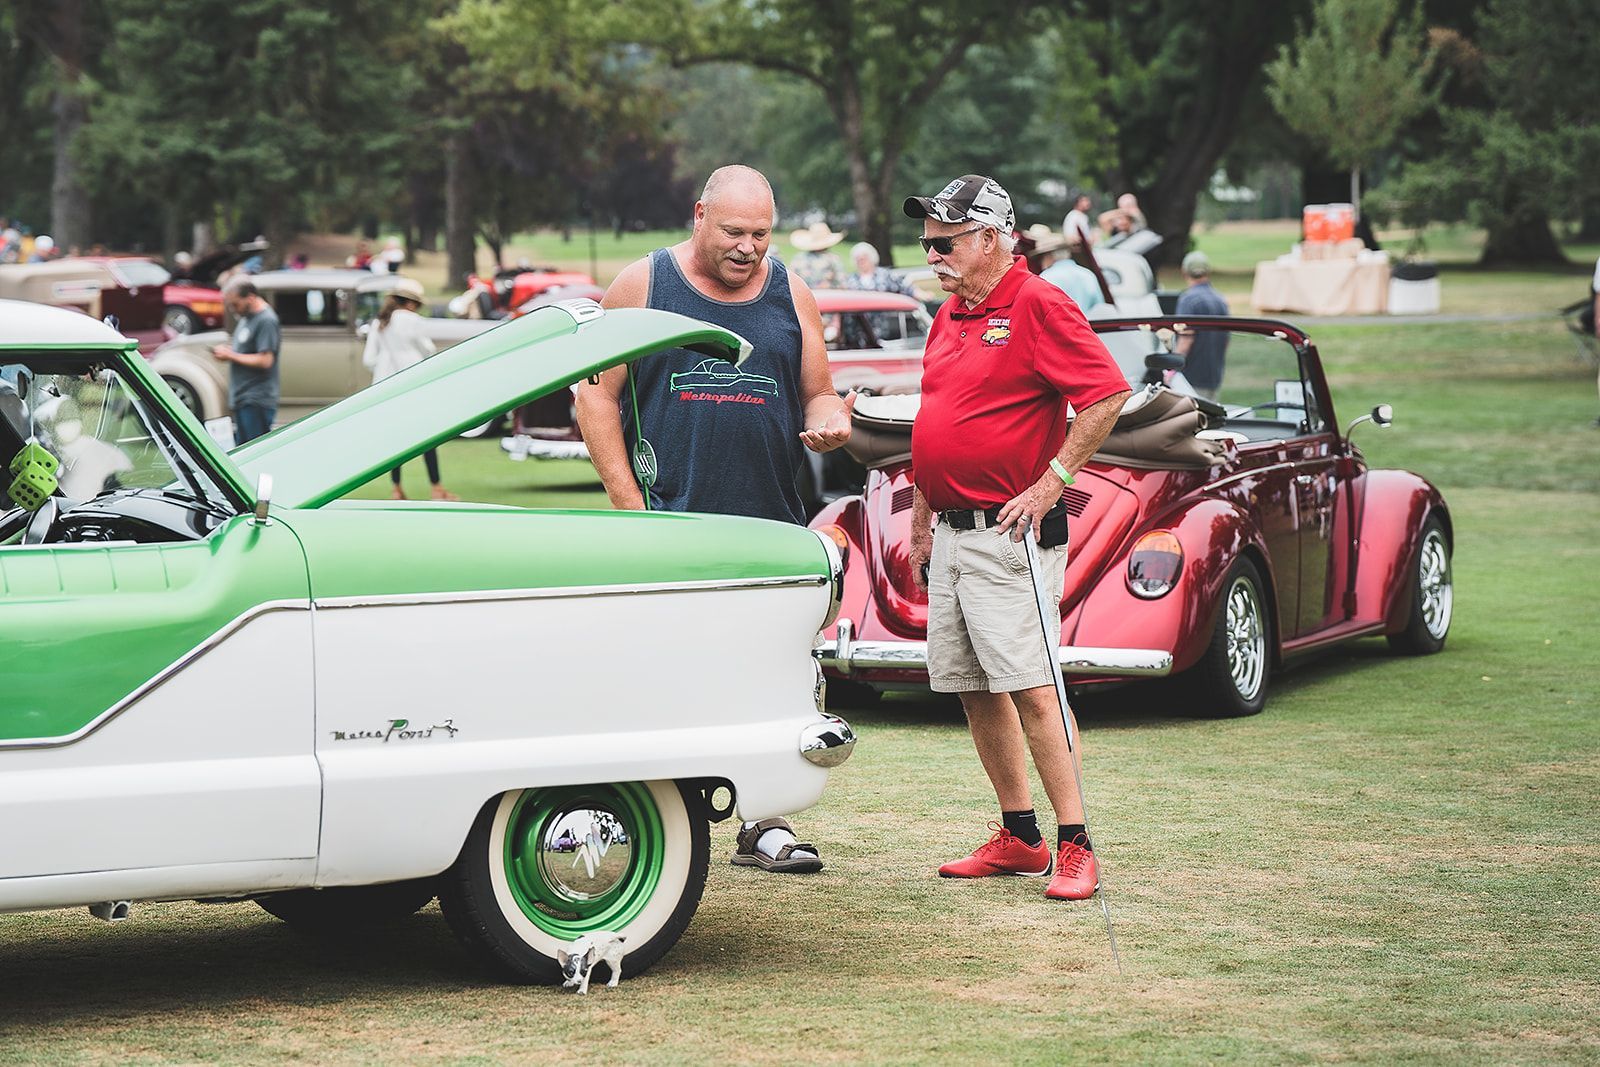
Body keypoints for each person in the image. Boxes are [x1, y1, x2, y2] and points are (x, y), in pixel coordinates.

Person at [575, 164, 854, 874]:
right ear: (700, 215)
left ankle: (765, 824)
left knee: (769, 676)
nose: (748, 247)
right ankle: (637, 819)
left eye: (761, 233)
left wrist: (829, 423)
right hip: (667, 523)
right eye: (734, 231)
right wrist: (627, 505)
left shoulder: (792, 291)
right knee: (655, 674)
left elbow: (819, 394)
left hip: (768, 524)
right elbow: (594, 395)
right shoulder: (644, 286)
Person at [903, 173, 1131, 901]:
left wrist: (1050, 482)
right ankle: (1021, 835)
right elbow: (934, 422)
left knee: (1034, 686)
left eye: (946, 242)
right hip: (952, 532)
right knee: (974, 688)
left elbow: (1107, 395)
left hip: (1012, 533)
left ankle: (1076, 843)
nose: (933, 254)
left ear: (992, 239)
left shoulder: (1037, 302)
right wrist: (920, 517)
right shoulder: (950, 317)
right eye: (929, 242)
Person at [363, 278, 458, 500]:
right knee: (427, 437)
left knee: (396, 439)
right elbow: (428, 349)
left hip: (386, 386)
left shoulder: (380, 322)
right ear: (412, 303)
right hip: (413, 384)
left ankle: (396, 488)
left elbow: (368, 359)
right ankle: (436, 487)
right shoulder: (413, 321)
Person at [211, 279, 281, 445]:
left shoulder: (266, 321)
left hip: (256, 398)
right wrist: (228, 350)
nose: (233, 309)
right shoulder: (246, 317)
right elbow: (245, 348)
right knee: (242, 451)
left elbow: (266, 360)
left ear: (250, 297)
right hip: (242, 396)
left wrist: (231, 355)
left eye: (235, 304)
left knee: (254, 450)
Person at [1173, 251, 1229, 401]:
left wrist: (1171, 369)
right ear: (1208, 272)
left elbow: (1186, 339)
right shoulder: (1220, 299)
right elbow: (1226, 341)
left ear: (1184, 272)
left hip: (1192, 378)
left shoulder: (1187, 300)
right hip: (1214, 376)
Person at [842, 240, 916, 348]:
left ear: (872, 258)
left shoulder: (885, 275)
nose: (861, 261)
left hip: (884, 328)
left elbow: (905, 289)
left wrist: (922, 294)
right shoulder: (850, 280)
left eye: (864, 258)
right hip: (857, 333)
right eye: (858, 259)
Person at [1035, 231, 1104, 314]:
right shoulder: (1088, 274)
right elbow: (1099, 307)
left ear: (1049, 256)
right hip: (1087, 325)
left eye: (1042, 257)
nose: (1041, 261)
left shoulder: (1045, 278)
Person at [788, 221, 845, 289]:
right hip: (826, 296)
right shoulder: (833, 259)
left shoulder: (798, 258)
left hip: (803, 294)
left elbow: (790, 282)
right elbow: (842, 283)